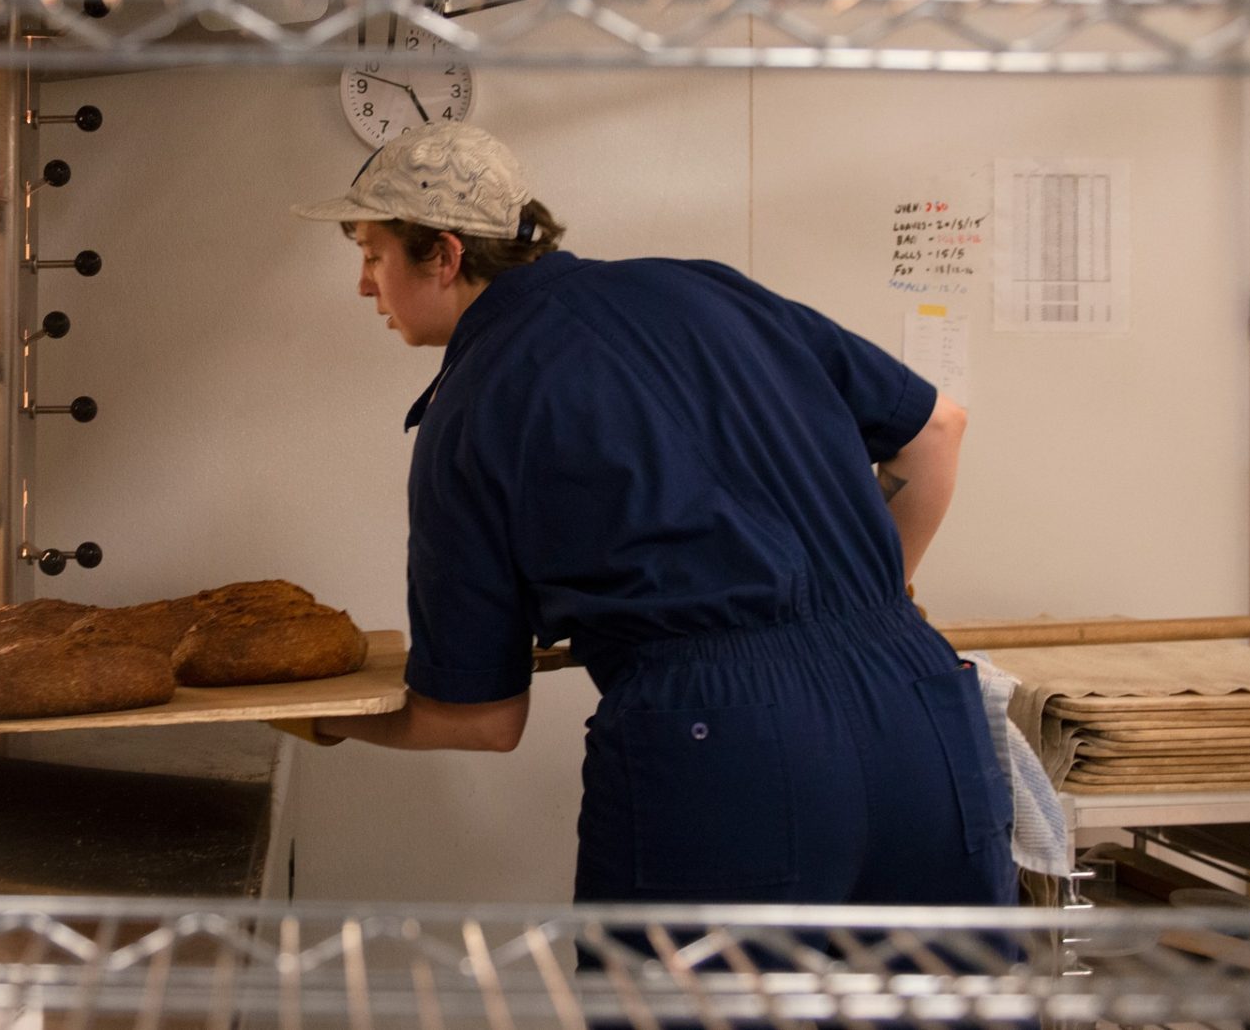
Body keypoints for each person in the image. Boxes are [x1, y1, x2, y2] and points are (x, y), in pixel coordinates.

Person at [287, 121, 1014, 910]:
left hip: (730, 750)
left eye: (371, 254)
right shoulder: (703, 287)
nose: (365, 285)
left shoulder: (475, 408)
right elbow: (937, 428)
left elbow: (478, 720)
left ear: (446, 255)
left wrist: (321, 724)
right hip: (916, 703)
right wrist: (868, 601)